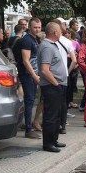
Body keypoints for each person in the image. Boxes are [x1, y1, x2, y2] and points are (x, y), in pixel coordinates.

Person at [36, 22, 68, 153]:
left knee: (56, 115)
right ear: (55, 32)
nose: (61, 33)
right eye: (60, 31)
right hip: (51, 86)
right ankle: (48, 143)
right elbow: (44, 70)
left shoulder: (52, 45)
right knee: (51, 115)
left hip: (57, 85)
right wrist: (55, 83)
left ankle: (53, 140)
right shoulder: (47, 47)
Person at [12, 17, 42, 139]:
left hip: (33, 74)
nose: (37, 29)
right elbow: (25, 60)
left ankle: (28, 125)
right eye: (35, 27)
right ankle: (28, 129)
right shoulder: (27, 40)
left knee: (31, 100)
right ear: (29, 27)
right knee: (29, 101)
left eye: (39, 27)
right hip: (27, 75)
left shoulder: (35, 39)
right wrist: (34, 75)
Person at [53, 20, 77, 135]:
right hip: (63, 75)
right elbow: (74, 60)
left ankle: (54, 124)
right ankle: (62, 125)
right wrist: (67, 71)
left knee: (53, 101)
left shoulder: (48, 41)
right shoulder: (67, 42)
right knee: (63, 101)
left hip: (51, 74)